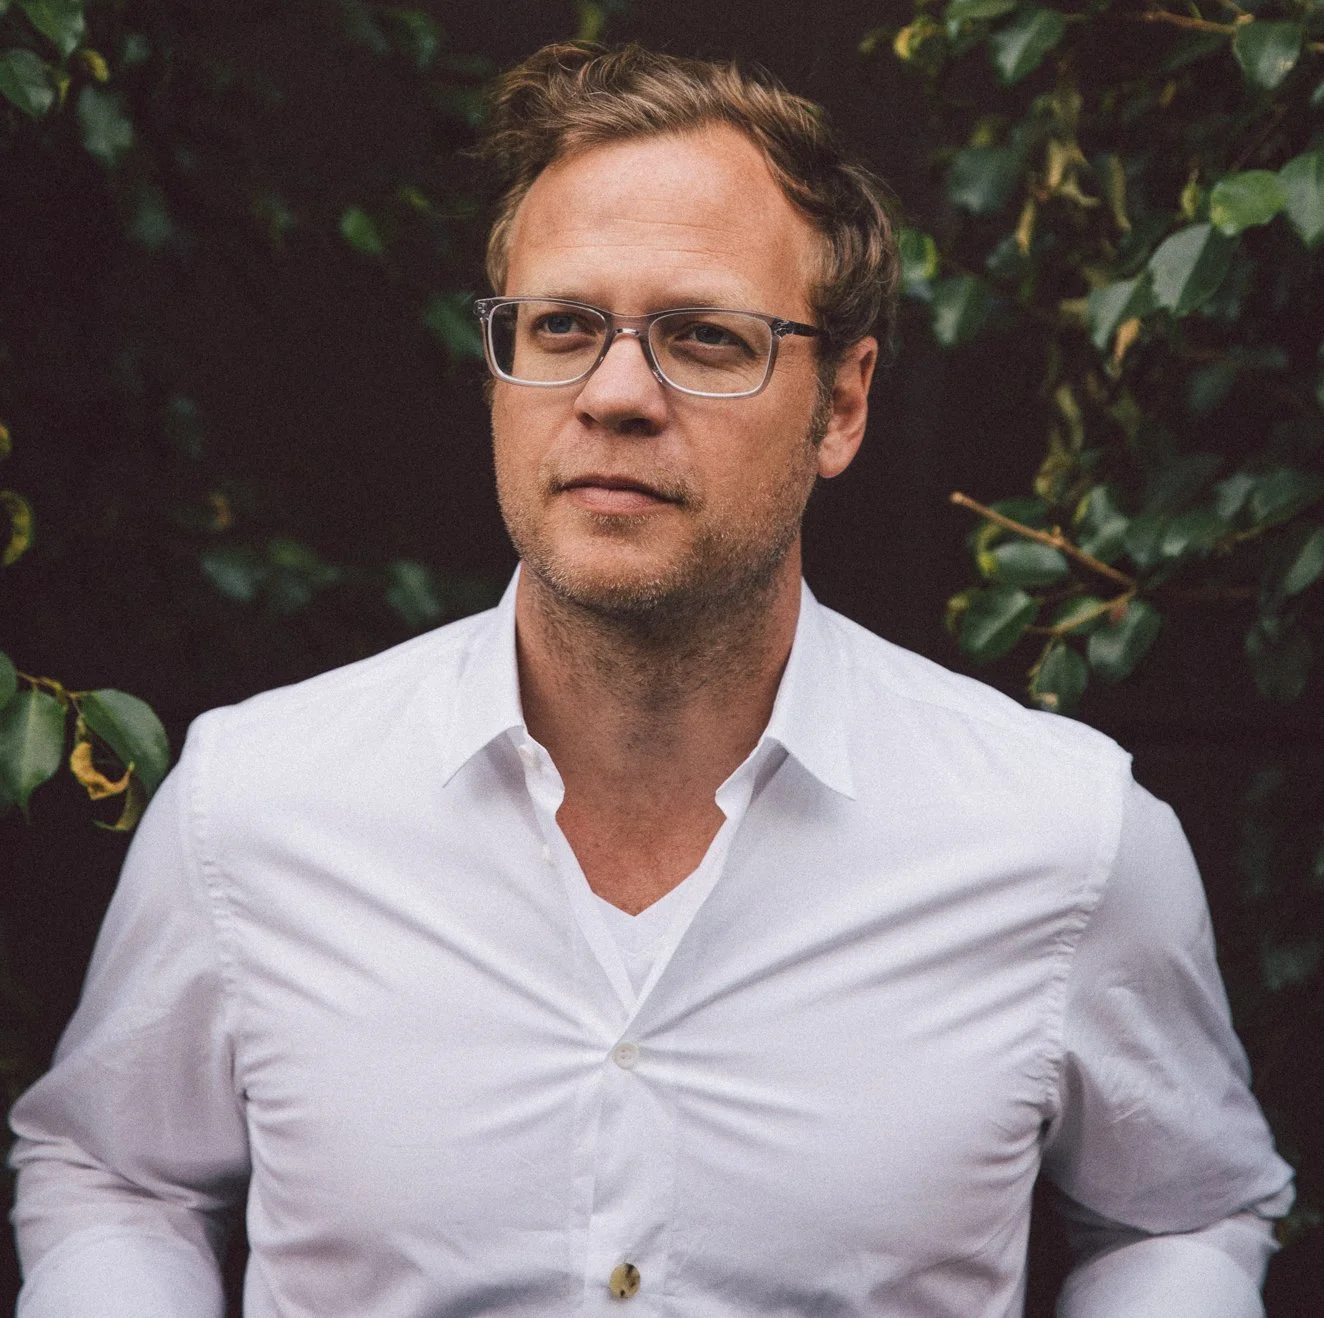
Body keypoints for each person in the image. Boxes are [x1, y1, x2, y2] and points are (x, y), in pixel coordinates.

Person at [9, 42, 1293, 1318]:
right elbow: (116, 1172)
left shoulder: (1063, 837)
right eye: (561, 326)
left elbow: (1177, 1213)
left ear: (841, 405)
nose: (615, 394)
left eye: (705, 336)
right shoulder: (255, 804)